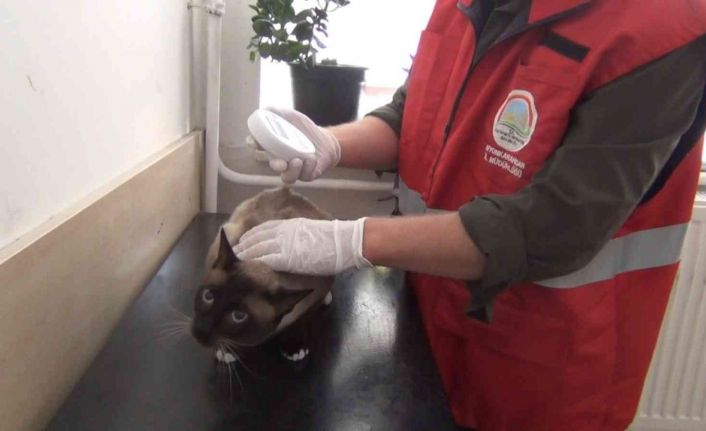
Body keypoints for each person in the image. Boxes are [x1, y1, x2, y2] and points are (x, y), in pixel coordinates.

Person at [234, 0, 706, 429]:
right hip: (429, 335)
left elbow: (556, 225)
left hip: (540, 371)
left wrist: (351, 241)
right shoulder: (462, 7)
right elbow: (412, 116)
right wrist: (330, 144)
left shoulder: (661, 26)